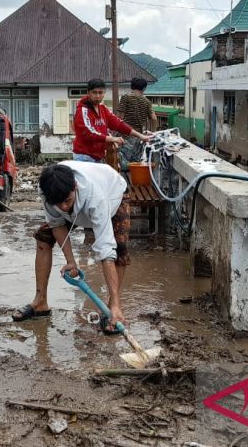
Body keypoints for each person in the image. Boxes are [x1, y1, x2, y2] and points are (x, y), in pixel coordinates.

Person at [12, 161, 131, 334]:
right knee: (43, 237)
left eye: (67, 201)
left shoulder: (96, 197)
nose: (63, 207)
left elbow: (105, 250)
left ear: (75, 186)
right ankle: (40, 302)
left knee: (118, 247)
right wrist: (71, 261)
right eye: (57, 204)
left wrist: (115, 304)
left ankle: (113, 307)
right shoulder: (48, 191)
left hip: (113, 194)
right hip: (78, 202)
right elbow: (57, 223)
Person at [73, 78, 149, 163]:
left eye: (100, 93)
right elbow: (89, 133)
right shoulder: (82, 110)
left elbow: (118, 123)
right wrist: (112, 138)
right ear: (88, 93)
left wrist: (140, 136)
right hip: (84, 157)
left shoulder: (102, 109)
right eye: (94, 92)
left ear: (104, 93)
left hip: (98, 157)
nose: (98, 96)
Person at [115, 77, 157, 169]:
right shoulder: (147, 102)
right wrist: (152, 132)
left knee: (122, 165)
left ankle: (125, 182)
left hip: (125, 136)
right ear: (143, 88)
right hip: (139, 138)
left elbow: (120, 117)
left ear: (132, 86)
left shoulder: (126, 97)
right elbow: (153, 118)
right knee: (135, 165)